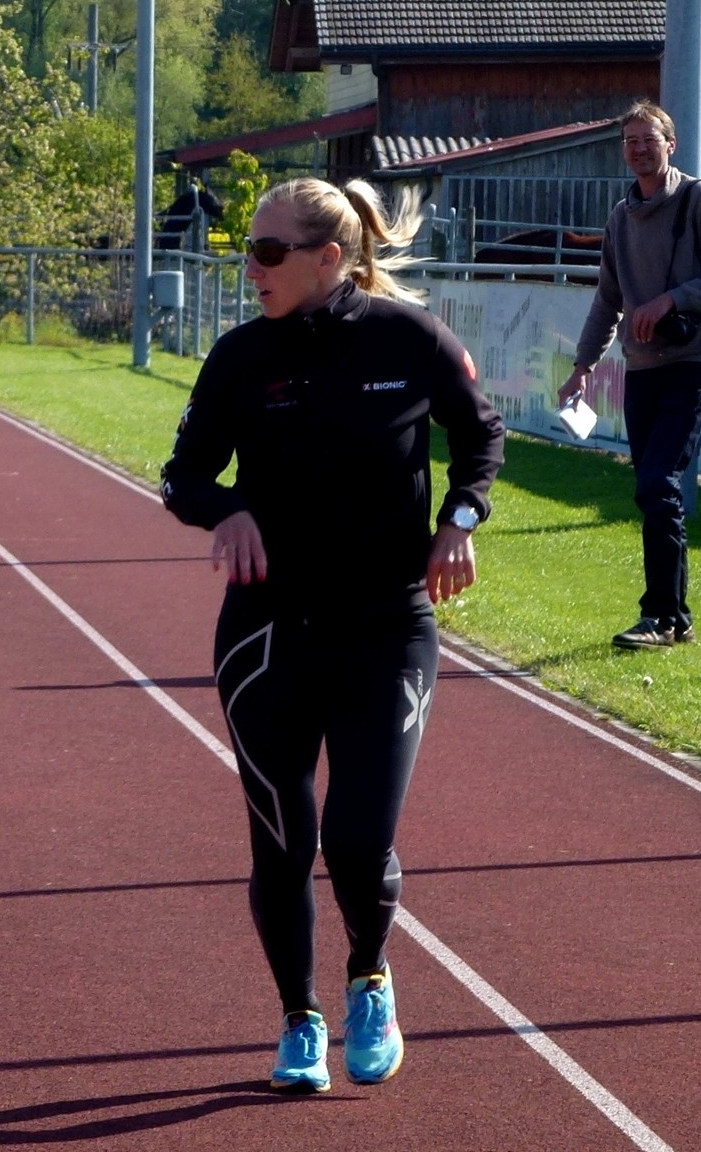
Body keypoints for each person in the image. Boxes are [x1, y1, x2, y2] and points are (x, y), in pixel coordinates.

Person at [161, 177, 504, 1092]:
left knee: (357, 839)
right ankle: (299, 1020)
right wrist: (226, 512)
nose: (251, 267)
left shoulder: (409, 338)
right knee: (283, 838)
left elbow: (482, 438)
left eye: (270, 253)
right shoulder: (238, 358)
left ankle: (370, 978)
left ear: (329, 259)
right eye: (247, 248)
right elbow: (184, 476)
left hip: (388, 628)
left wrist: (461, 521)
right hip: (267, 637)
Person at [557, 101, 701, 650]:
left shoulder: (698, 199)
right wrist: (583, 367)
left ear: (672, 144)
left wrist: (671, 299)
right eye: (631, 141)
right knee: (651, 490)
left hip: (692, 361)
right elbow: (608, 300)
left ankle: (661, 616)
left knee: (658, 483)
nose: (640, 148)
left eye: (650, 139)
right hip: (641, 366)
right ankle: (676, 617)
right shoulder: (620, 217)